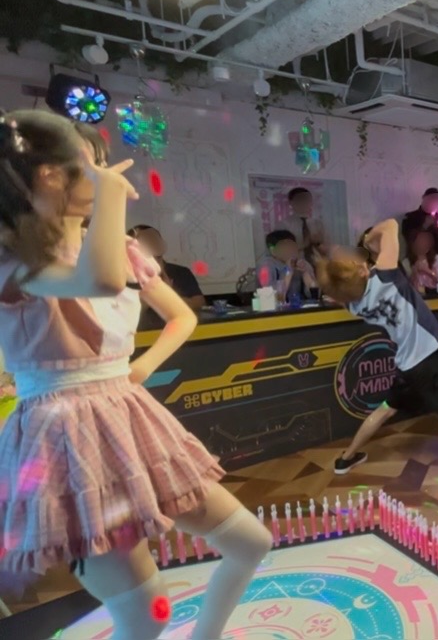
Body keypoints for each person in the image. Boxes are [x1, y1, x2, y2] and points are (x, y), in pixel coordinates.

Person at [0, 109, 271, 640]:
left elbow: (179, 314)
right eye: (89, 165)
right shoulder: (12, 261)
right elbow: (96, 280)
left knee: (250, 542)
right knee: (146, 614)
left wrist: (141, 366)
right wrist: (110, 199)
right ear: (46, 178)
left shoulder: (120, 249)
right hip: (65, 437)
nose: (106, 174)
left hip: (127, 417)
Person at [316, 218, 438, 522]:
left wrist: (357, 256)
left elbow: (343, 285)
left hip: (407, 365)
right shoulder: (386, 277)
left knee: (385, 409)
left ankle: (346, 458)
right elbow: (390, 225)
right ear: (363, 271)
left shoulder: (353, 305)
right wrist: (369, 239)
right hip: (433, 360)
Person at [127, 224, 205, 311]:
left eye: (156, 238)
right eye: (146, 239)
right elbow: (130, 311)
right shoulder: (129, 276)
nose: (154, 242)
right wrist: (158, 294)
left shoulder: (182, 272)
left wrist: (170, 295)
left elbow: (199, 302)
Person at [257, 229, 315, 302]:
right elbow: (271, 298)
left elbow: (315, 295)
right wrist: (288, 271)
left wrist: (305, 272)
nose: (290, 250)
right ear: (273, 251)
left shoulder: (303, 263)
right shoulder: (266, 266)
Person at [402, 187, 438, 265]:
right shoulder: (410, 217)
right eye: (432, 198)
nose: (434, 202)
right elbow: (408, 238)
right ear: (424, 198)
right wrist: (425, 225)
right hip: (416, 261)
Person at [276, 187, 326, 257]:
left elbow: (327, 250)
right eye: (300, 199)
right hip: (294, 262)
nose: (304, 202)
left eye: (307, 199)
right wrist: (305, 244)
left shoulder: (317, 223)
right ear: (291, 202)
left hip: (317, 261)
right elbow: (281, 251)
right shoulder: (283, 225)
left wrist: (318, 243)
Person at [404, 228, 438, 295]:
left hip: (435, 295)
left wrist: (427, 271)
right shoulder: (406, 262)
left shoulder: (437, 259)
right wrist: (414, 273)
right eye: (420, 241)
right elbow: (407, 287)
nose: (424, 244)